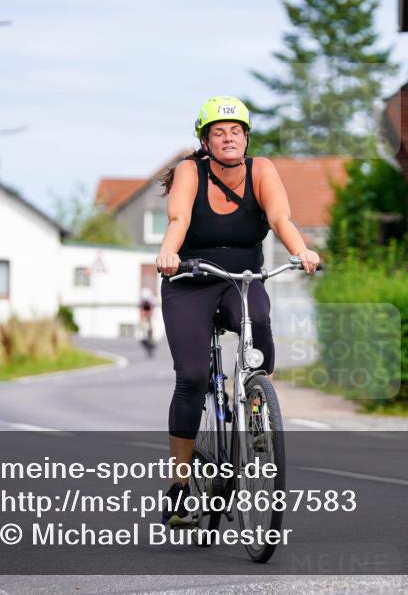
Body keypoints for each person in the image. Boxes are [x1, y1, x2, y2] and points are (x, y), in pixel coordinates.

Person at [154, 95, 321, 525]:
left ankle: (257, 400)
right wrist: (169, 253)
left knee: (260, 320)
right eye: (218, 133)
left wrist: (301, 250)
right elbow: (178, 220)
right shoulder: (190, 172)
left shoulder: (262, 170)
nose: (228, 139)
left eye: (235, 132)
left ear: (246, 137)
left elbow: (281, 218)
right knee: (191, 378)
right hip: (190, 279)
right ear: (206, 141)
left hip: (242, 277)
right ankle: (178, 484)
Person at [138, 288, 157, 357]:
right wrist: (141, 321)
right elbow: (141, 311)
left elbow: (151, 311)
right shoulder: (141, 300)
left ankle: (151, 336)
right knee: (144, 324)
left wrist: (150, 322)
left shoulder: (151, 300)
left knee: (150, 324)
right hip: (145, 308)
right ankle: (145, 337)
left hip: (150, 308)